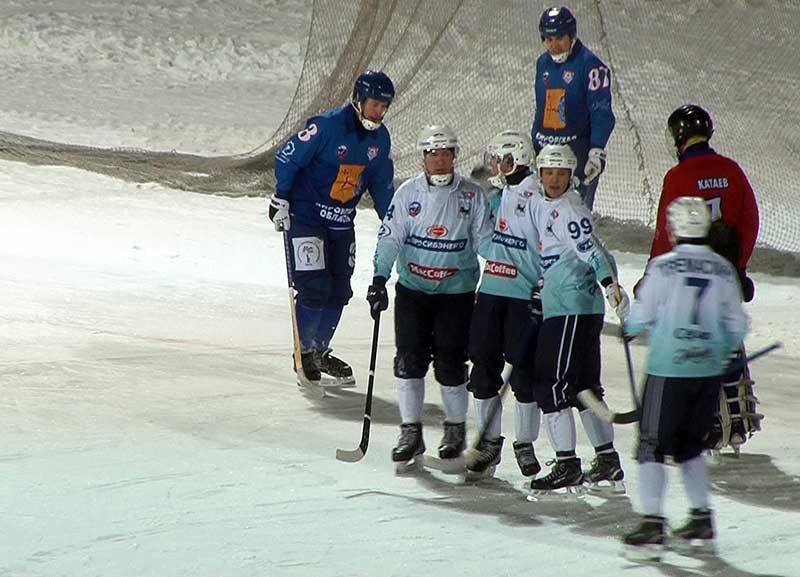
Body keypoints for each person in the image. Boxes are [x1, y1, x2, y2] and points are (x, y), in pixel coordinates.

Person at [622, 197, 749, 559]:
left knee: (651, 445)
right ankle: (701, 517)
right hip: (706, 371)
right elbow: (738, 325)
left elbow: (642, 315)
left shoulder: (663, 268)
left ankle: (652, 524)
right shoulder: (723, 271)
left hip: (669, 369)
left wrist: (630, 327)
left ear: (675, 228)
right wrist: (721, 351)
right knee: (691, 446)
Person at [366, 124, 489, 471]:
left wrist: (513, 267)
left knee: (451, 364)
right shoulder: (407, 194)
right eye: (433, 153)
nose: (439, 160)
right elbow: (390, 238)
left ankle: (454, 430)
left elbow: (485, 242)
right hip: (413, 291)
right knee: (408, 362)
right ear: (423, 156)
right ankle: (410, 431)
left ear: (455, 156)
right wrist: (379, 278)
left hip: (457, 293)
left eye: (446, 153)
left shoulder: (471, 195)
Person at [644, 104, 761, 453]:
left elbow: (667, 232)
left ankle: (707, 420)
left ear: (678, 137)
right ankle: (738, 416)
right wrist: (737, 267)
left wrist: (653, 274)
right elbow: (749, 220)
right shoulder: (731, 170)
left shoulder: (677, 177)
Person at [270, 70, 396, 386]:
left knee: (339, 291)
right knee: (313, 288)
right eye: (374, 104)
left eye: (384, 106)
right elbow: (287, 158)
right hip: (307, 218)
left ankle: (320, 350)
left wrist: (395, 221)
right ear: (357, 100)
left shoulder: (380, 140)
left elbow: (381, 184)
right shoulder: (326, 126)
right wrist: (281, 197)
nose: (378, 112)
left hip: (342, 223)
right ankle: (304, 352)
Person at [527, 144, 629, 497]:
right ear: (540, 174)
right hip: (572, 305)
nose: (554, 179)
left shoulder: (568, 209)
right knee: (585, 385)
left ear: (571, 176)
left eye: (561, 173)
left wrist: (610, 285)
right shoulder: (550, 205)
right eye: (548, 172)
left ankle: (567, 463)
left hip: (571, 307)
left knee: (551, 384)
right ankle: (607, 458)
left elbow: (591, 250)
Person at [465, 130, 543, 478]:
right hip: (491, 292)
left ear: (519, 160)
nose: (495, 166)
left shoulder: (540, 196)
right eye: (494, 159)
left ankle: (524, 443)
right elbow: (485, 244)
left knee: (524, 375)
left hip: (523, 296)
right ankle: (489, 445)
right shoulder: (495, 198)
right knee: (482, 368)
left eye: (501, 160)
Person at [531, 5, 615, 211]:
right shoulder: (543, 63)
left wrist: (596, 151)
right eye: (548, 40)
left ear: (572, 35)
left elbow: (601, 111)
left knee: (574, 214)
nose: (554, 46)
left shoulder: (591, 66)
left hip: (577, 157)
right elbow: (541, 109)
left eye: (559, 38)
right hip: (546, 154)